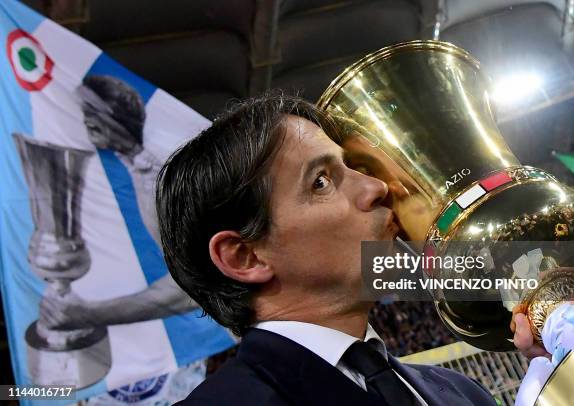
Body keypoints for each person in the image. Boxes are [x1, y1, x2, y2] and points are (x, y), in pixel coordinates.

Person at [155, 92, 499, 405]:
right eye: (321, 181)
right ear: (246, 257)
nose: (378, 187)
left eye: (353, 168)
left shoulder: (462, 392)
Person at [39, 75, 197, 330]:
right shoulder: (128, 170)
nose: (85, 119)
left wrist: (91, 315)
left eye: (93, 110)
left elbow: (192, 284)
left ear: (120, 120)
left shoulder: (163, 179)